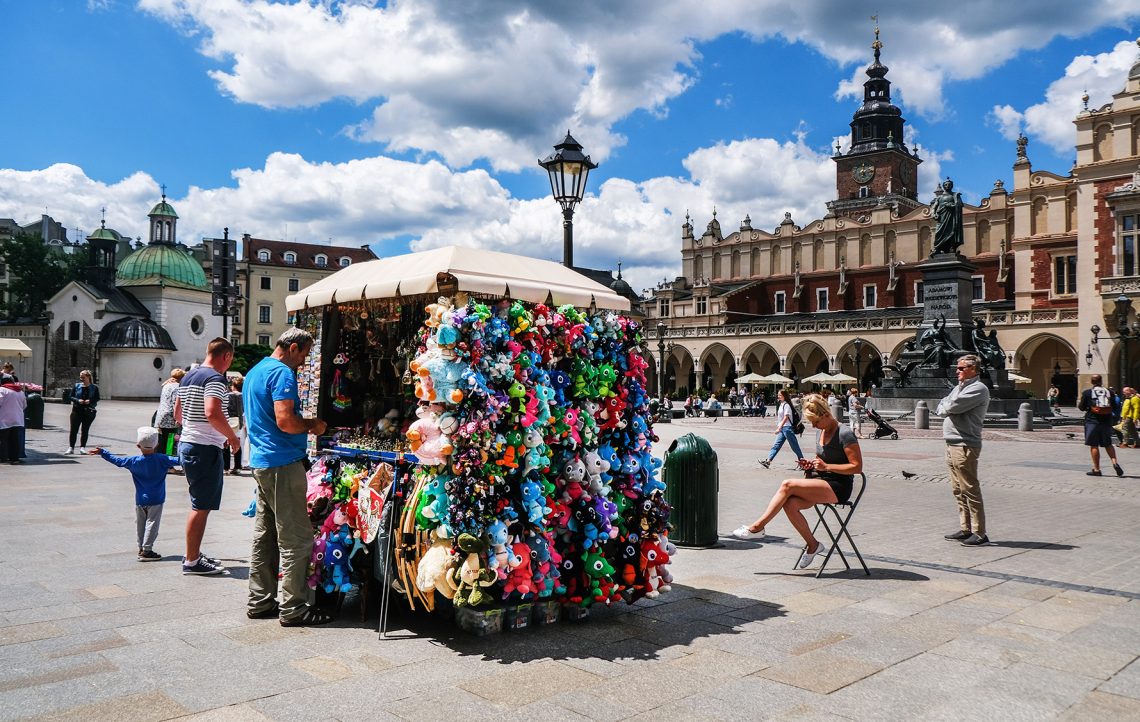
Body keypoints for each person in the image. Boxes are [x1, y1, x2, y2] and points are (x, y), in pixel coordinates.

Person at [244, 327, 331, 626]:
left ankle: (259, 601)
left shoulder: (255, 371)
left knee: (265, 536)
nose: (304, 362)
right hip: (282, 463)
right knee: (296, 538)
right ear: (293, 347)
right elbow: (285, 421)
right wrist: (313, 425)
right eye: (304, 354)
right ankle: (294, 609)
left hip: (261, 461)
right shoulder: (281, 373)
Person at [733, 394, 862, 569]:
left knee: (788, 484)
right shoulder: (820, 431)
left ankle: (757, 528)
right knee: (790, 504)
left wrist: (827, 466)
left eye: (815, 421)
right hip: (821, 480)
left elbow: (856, 467)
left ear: (825, 414)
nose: (814, 426)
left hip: (839, 486)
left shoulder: (845, 433)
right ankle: (813, 545)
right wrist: (810, 464)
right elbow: (820, 458)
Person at [175, 338, 241, 576]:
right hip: (204, 449)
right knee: (200, 506)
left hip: (189, 444)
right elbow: (212, 412)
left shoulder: (187, 377)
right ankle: (191, 561)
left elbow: (178, 415)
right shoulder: (215, 379)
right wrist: (231, 437)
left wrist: (198, 429)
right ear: (226, 357)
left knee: (200, 503)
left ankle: (193, 553)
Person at [88, 427, 180, 561]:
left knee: (141, 524)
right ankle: (147, 550)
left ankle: (141, 547)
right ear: (157, 445)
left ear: (138, 446)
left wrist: (103, 452)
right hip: (157, 498)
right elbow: (180, 460)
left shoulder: (133, 461)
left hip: (140, 500)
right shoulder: (163, 459)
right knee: (152, 523)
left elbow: (117, 461)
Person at [937, 355, 992, 546]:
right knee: (958, 489)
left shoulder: (978, 389)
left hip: (965, 444)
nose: (957, 371)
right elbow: (942, 406)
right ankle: (966, 528)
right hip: (952, 443)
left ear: (973, 369)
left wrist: (947, 406)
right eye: (957, 368)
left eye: (961, 368)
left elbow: (950, 406)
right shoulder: (959, 388)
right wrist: (947, 406)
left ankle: (979, 532)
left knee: (970, 488)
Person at [1078, 374, 1124, 477]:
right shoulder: (1110, 392)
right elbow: (1115, 405)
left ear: (1092, 382)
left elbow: (1081, 407)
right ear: (1101, 381)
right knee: (1108, 444)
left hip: (1092, 421)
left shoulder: (1087, 393)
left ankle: (1097, 469)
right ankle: (1114, 463)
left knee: (1094, 445)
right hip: (1106, 421)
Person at [759, 389, 804, 469]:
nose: (778, 396)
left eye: (780, 395)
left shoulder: (786, 405)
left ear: (784, 396)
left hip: (787, 428)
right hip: (783, 428)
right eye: (778, 395)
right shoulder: (782, 404)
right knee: (776, 445)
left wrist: (779, 427)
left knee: (794, 446)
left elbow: (786, 417)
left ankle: (803, 463)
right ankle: (768, 461)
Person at [66, 370, 99, 454]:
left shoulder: (94, 387)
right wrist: (77, 400)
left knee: (85, 430)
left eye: (83, 377)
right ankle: (71, 448)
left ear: (88, 377)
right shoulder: (77, 386)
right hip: (76, 411)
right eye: (80, 377)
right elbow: (70, 396)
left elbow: (97, 398)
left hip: (88, 412)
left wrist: (90, 401)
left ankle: (82, 448)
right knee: (73, 430)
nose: (81, 379)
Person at [155, 368, 186, 458]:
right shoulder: (177, 387)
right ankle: (169, 464)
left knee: (163, 441)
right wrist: (177, 418)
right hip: (170, 418)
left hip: (161, 416)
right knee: (170, 441)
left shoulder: (166, 385)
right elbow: (175, 404)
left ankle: (162, 461)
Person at [0, 382, 27, 464]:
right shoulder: (21, 392)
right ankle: (14, 458)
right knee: (14, 439)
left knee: (3, 439)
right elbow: (24, 406)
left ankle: (3, 458)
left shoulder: (2, 390)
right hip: (17, 420)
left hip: (4, 419)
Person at [223, 375, 245, 474]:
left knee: (226, 444)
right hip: (240, 422)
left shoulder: (229, 395)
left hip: (229, 421)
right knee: (238, 444)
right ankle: (237, 466)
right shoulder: (244, 396)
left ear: (233, 386)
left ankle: (226, 467)